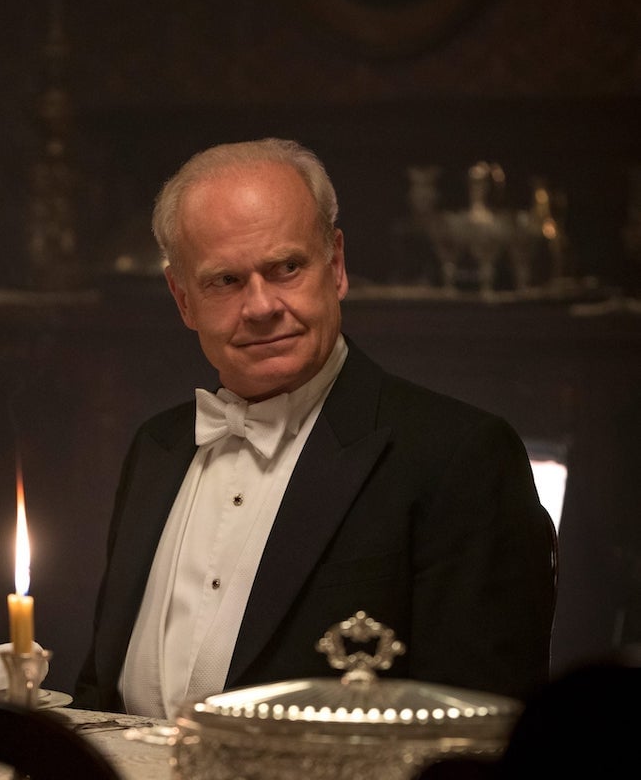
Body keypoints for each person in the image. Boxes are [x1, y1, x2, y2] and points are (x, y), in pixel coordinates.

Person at [73, 138, 557, 718]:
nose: (261, 307)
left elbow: (480, 734)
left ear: (336, 265)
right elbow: (101, 690)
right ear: (183, 299)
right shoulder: (156, 447)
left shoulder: (460, 457)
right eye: (225, 280)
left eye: (286, 268)